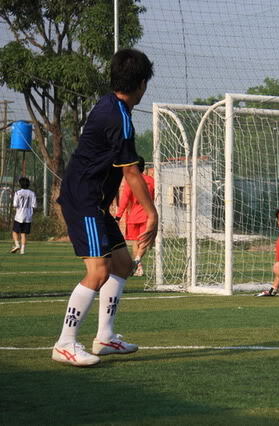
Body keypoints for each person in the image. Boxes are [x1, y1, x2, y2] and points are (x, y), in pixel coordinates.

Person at [52, 49, 157, 367]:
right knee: (98, 271)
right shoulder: (120, 118)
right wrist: (152, 214)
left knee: (122, 264)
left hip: (94, 203)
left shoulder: (108, 105)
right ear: (142, 84)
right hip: (83, 201)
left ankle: (105, 338)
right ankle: (65, 343)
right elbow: (131, 173)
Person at [116, 156, 155, 276]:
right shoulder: (151, 181)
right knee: (144, 241)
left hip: (133, 216)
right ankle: (137, 261)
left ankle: (138, 267)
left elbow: (125, 199)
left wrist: (118, 216)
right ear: (143, 167)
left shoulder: (131, 181)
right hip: (147, 215)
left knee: (135, 242)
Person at [10, 177, 37, 255]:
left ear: (20, 184)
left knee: (15, 232)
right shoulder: (32, 193)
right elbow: (34, 205)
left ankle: (17, 245)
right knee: (23, 234)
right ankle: (22, 251)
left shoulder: (18, 193)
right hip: (28, 216)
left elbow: (15, 205)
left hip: (19, 216)